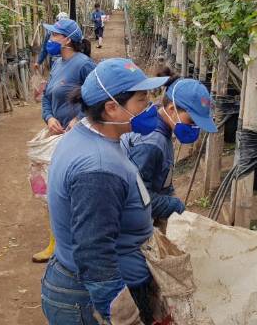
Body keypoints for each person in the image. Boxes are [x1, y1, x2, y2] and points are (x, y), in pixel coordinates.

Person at [42, 58, 169, 324]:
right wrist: (123, 317)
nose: (151, 108)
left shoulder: (92, 136)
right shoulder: (98, 169)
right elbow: (94, 254)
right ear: (112, 108)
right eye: (142, 101)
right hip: (87, 301)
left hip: (82, 288)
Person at [33, 18, 96, 263]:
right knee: (52, 188)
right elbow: (48, 96)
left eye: (54, 35)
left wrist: (78, 118)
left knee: (66, 189)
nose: (50, 39)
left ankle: (70, 245)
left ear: (67, 40)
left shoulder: (84, 65)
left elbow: (95, 96)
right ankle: (56, 242)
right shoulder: (57, 63)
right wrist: (48, 118)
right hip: (56, 134)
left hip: (77, 138)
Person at [122, 71, 217, 223]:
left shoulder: (159, 126)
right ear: (172, 109)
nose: (194, 128)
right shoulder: (151, 143)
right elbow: (136, 197)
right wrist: (174, 206)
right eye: (192, 121)